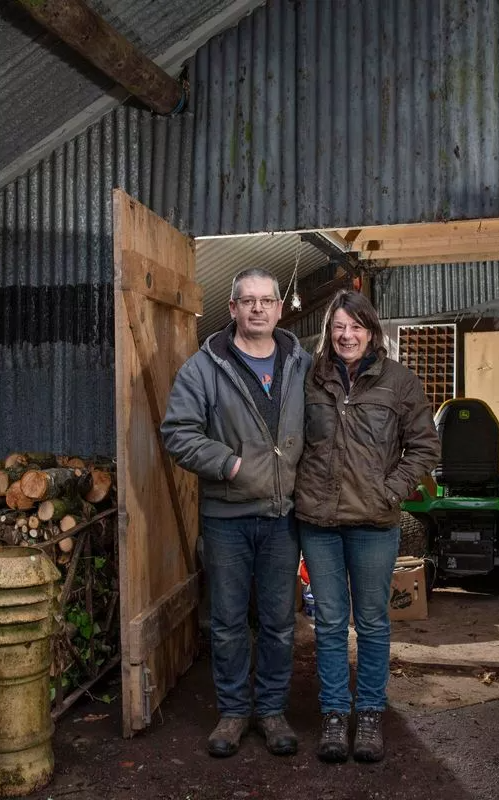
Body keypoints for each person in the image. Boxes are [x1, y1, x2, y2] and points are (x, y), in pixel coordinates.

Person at [161, 267, 311, 758]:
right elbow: (178, 433)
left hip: (282, 515)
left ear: (279, 307)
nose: (258, 309)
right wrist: (228, 464)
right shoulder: (203, 368)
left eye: (266, 300)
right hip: (227, 517)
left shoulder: (300, 363)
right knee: (225, 620)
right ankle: (232, 712)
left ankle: (270, 711)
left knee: (277, 620)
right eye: (248, 301)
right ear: (232, 309)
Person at [294, 290, 440, 764]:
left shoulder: (399, 382)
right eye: (338, 326)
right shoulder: (310, 378)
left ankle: (371, 713)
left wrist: (390, 490)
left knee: (374, 622)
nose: (346, 335)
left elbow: (424, 447)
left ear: (372, 332)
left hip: (374, 523)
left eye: (356, 327)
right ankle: (336, 716)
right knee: (331, 622)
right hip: (319, 521)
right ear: (328, 332)